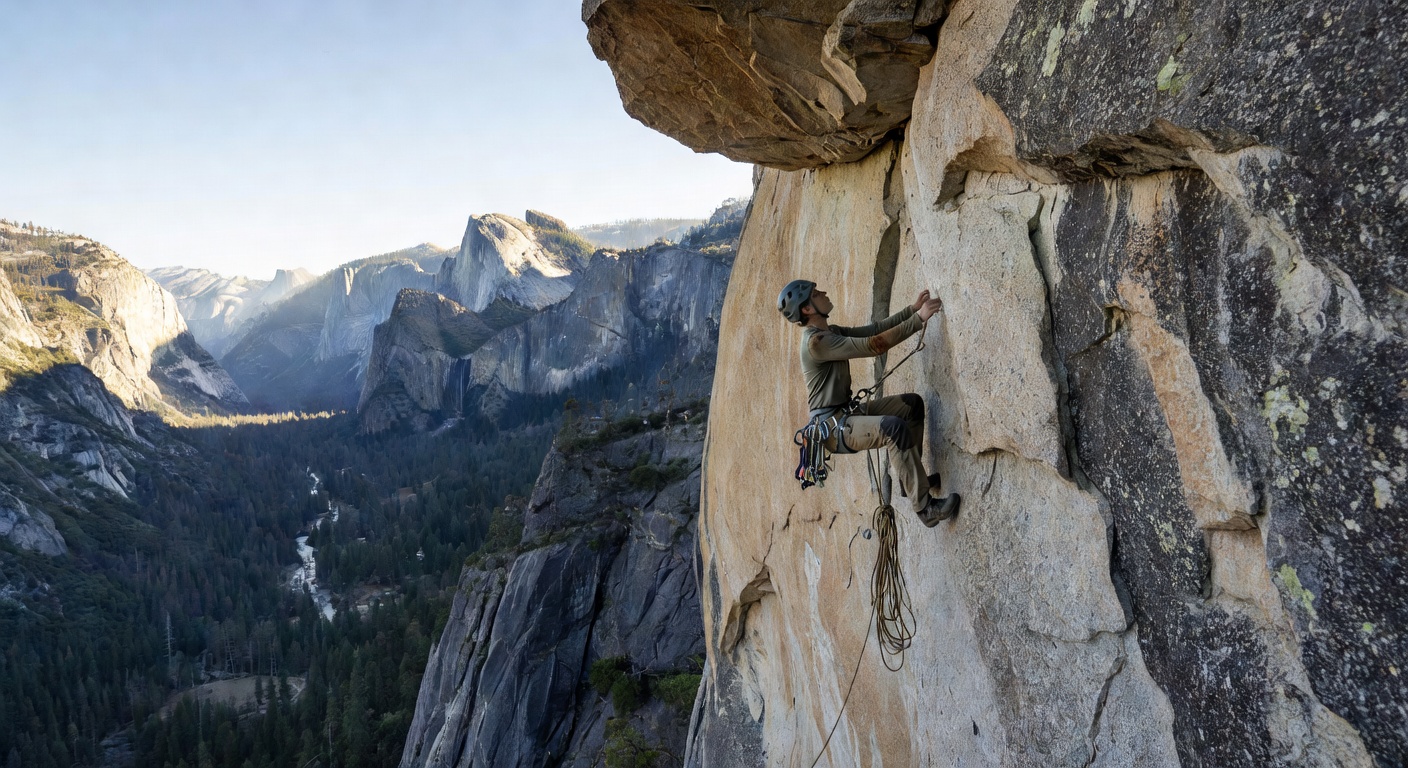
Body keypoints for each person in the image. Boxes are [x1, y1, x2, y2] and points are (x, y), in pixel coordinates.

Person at [777, 279, 960, 526]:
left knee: (911, 405)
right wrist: (918, 320)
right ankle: (925, 508)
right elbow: (874, 345)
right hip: (834, 428)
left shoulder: (831, 333)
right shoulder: (816, 344)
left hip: (846, 414)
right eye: (816, 293)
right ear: (807, 309)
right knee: (893, 428)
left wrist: (911, 310)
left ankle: (913, 483)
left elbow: (873, 330)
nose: (824, 293)